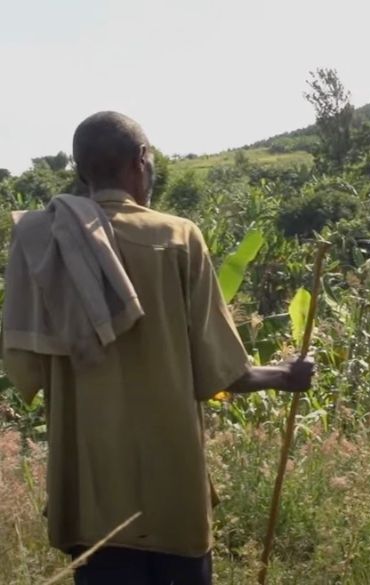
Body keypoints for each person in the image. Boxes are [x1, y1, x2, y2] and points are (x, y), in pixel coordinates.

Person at [1, 111, 314, 585]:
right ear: (140, 161)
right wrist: (285, 376)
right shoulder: (176, 237)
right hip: (172, 497)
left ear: (82, 171)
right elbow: (222, 373)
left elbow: (26, 369)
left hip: (91, 500)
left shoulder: (41, 243)